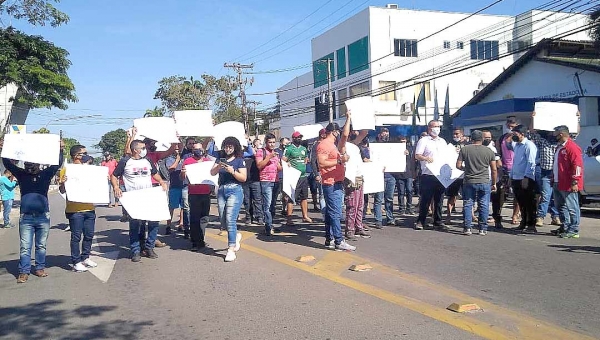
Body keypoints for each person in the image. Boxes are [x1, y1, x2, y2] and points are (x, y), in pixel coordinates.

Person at [2, 139, 64, 284]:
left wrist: (60, 149)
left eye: (32, 164)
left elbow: (57, 164)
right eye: (27, 164)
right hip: (26, 218)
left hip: (43, 217)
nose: (29, 166)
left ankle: (39, 268)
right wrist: (4, 149)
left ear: (38, 164)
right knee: (25, 246)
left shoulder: (46, 174)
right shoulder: (22, 175)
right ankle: (23, 272)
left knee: (41, 245)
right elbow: (7, 164)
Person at [111, 140, 169, 262]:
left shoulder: (147, 160)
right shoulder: (125, 161)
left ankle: (149, 247)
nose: (145, 149)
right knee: (135, 225)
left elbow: (154, 173)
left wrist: (161, 182)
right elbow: (114, 175)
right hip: (134, 198)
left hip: (148, 196)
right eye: (142, 148)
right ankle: (135, 250)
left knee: (154, 222)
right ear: (135, 150)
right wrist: (116, 187)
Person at [317, 118, 356, 251]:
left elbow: (345, 135)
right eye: (337, 132)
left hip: (336, 182)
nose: (339, 134)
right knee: (335, 213)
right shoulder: (324, 145)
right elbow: (321, 163)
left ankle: (330, 239)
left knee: (330, 212)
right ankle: (339, 240)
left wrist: (348, 118)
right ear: (333, 132)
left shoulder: (333, 145)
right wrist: (340, 161)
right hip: (331, 183)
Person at [59, 144, 98, 272]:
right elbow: (62, 190)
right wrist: (63, 183)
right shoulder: (67, 169)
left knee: (89, 235)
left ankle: (85, 257)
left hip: (89, 208)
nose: (86, 155)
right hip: (75, 210)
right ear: (76, 156)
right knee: (76, 237)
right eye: (84, 153)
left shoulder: (89, 169)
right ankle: (76, 261)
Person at [210, 137, 246, 262]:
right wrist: (218, 166)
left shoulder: (239, 161)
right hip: (222, 190)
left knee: (230, 219)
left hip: (235, 190)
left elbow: (243, 178)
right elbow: (212, 173)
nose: (228, 148)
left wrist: (232, 171)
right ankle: (235, 236)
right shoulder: (220, 159)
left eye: (230, 146)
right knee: (223, 220)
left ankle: (231, 249)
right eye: (226, 146)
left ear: (235, 147)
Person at [456, 130, 497, 235]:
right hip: (484, 180)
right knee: (484, 204)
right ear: (482, 139)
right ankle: (483, 228)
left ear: (471, 139)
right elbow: (494, 169)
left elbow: (458, 165)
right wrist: (494, 183)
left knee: (468, 204)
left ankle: (467, 228)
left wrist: (466, 169)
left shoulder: (465, 149)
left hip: (469, 180)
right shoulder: (489, 151)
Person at [414, 120, 448, 231]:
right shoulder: (424, 141)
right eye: (435, 126)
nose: (437, 129)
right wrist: (425, 158)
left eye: (438, 126)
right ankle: (421, 221)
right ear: (429, 128)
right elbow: (417, 155)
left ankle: (437, 221)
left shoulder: (442, 141)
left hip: (440, 174)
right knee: (426, 199)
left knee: (439, 199)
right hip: (428, 174)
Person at [551, 125, 583, 238]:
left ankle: (574, 229)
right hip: (557, 181)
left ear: (561, 134)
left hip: (568, 183)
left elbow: (577, 165)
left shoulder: (572, 147)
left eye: (555, 133)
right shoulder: (559, 147)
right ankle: (565, 226)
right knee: (560, 206)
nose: (553, 135)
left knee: (572, 207)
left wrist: (575, 182)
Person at [181, 142, 213, 250]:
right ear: (192, 150)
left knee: (204, 218)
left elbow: (212, 174)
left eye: (200, 149)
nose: (198, 151)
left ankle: (200, 238)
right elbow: (182, 178)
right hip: (194, 193)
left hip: (206, 192)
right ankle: (195, 241)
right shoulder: (188, 161)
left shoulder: (207, 162)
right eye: (195, 149)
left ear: (203, 150)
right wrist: (183, 173)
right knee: (194, 218)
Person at [528, 125, 561, 228]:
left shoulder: (560, 143)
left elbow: (574, 133)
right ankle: (540, 217)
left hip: (557, 172)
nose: (552, 134)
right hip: (546, 172)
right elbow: (532, 134)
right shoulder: (542, 141)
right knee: (546, 196)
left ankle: (555, 216)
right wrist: (534, 118)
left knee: (555, 197)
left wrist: (577, 119)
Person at [343, 123, 370, 241]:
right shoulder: (342, 144)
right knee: (352, 205)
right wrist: (348, 119)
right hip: (351, 177)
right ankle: (349, 229)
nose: (357, 133)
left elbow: (365, 132)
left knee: (360, 204)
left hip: (359, 176)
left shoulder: (354, 145)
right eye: (354, 131)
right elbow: (344, 134)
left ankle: (358, 226)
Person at [510, 125, 538, 233]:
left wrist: (527, 177)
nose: (513, 135)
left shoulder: (529, 145)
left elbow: (531, 162)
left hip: (525, 178)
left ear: (522, 134)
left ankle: (531, 225)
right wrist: (511, 176)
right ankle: (523, 223)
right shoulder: (516, 146)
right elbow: (515, 162)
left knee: (529, 202)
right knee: (521, 202)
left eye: (515, 133)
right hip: (516, 177)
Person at [256, 133, 282, 236]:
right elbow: (259, 165)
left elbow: (278, 167)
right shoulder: (260, 152)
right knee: (267, 205)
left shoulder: (276, 153)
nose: (272, 144)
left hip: (276, 180)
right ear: (266, 143)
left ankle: (270, 224)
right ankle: (268, 226)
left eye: (273, 142)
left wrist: (284, 164)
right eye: (270, 142)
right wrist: (269, 157)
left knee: (273, 205)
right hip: (266, 181)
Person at [283, 131, 312, 224]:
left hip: (303, 176)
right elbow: (283, 160)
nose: (299, 139)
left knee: (304, 197)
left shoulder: (304, 148)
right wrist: (287, 164)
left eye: (300, 137)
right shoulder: (289, 149)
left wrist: (306, 160)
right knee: (292, 197)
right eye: (297, 137)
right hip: (294, 176)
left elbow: (305, 158)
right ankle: (289, 219)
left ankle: (305, 216)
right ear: (293, 138)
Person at [497, 117, 520, 224]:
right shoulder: (502, 138)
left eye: (513, 125)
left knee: (517, 194)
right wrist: (500, 166)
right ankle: (498, 214)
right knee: (501, 193)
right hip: (505, 169)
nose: (511, 127)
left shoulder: (520, 139)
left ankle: (515, 215)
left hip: (517, 169)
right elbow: (497, 154)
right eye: (509, 125)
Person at [482, 131, 504, 228]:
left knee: (494, 201)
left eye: (489, 137)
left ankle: (495, 220)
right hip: (484, 178)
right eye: (486, 137)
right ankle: (485, 221)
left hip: (493, 178)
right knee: (485, 201)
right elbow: (498, 164)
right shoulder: (481, 148)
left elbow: (499, 164)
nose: (488, 139)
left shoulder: (492, 148)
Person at [446, 127, 467, 224]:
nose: (455, 136)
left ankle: (469, 216)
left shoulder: (468, 145)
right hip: (454, 174)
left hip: (465, 173)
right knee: (452, 196)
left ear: (462, 134)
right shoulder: (449, 145)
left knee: (467, 197)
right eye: (454, 134)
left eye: (457, 134)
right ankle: (448, 215)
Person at [242, 139, 263, 226]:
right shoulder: (241, 155)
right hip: (245, 181)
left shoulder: (256, 154)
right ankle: (248, 217)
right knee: (247, 200)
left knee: (257, 199)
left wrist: (248, 142)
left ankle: (259, 217)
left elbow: (252, 152)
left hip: (255, 180)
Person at [395, 135, 416, 216]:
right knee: (401, 192)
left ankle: (409, 207)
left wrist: (408, 154)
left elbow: (414, 160)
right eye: (401, 141)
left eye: (404, 140)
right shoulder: (396, 149)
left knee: (410, 190)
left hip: (409, 173)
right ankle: (401, 208)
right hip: (399, 173)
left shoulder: (410, 148)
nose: (402, 142)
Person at [165, 146, 183, 235]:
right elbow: (171, 169)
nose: (177, 150)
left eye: (178, 148)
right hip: (174, 185)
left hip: (183, 185)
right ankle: (168, 225)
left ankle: (181, 224)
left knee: (183, 206)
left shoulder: (184, 157)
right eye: (175, 148)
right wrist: (177, 159)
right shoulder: (169, 159)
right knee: (171, 206)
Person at [275, 137, 289, 215]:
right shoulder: (276, 151)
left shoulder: (288, 151)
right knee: (276, 193)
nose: (286, 145)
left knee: (285, 194)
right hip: (278, 175)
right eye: (285, 143)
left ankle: (284, 208)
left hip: (287, 175)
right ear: (281, 143)